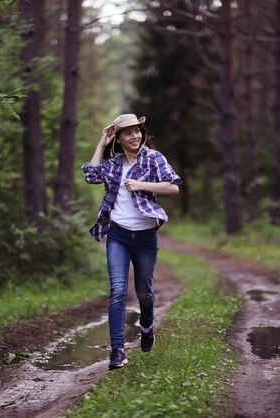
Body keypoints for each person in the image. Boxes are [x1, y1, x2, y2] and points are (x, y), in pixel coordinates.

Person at [81, 114, 182, 370]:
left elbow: (173, 187)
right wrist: (101, 144)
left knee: (144, 294)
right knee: (117, 291)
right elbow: (91, 176)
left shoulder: (153, 158)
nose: (135, 136)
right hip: (118, 235)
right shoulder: (114, 163)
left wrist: (140, 184)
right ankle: (117, 351)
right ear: (118, 138)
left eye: (137, 131)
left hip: (145, 236)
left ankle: (146, 328)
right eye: (127, 133)